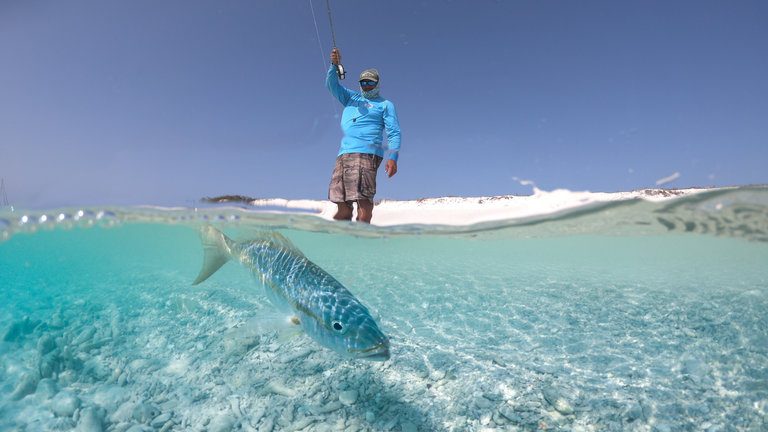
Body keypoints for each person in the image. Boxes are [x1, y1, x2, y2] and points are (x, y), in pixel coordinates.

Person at [326, 47, 401, 223]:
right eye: (363, 83)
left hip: (367, 153)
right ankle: (342, 240)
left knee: (363, 199)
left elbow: (394, 132)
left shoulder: (385, 104)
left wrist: (393, 157)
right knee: (341, 202)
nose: (366, 86)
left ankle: (362, 238)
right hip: (343, 154)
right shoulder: (351, 98)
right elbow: (331, 85)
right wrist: (333, 65)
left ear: (377, 83)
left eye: (370, 83)